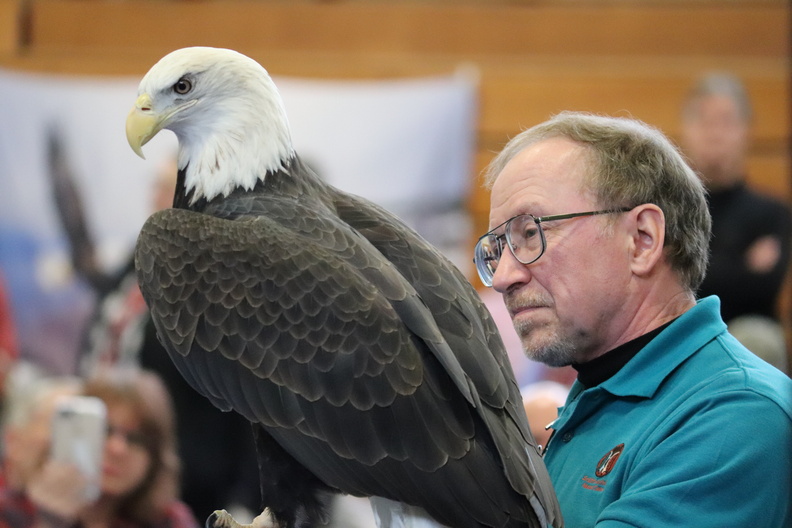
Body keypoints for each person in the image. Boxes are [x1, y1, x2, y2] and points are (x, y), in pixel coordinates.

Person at [474, 111, 792, 527]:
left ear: (642, 240)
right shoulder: (597, 393)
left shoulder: (738, 415)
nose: (503, 277)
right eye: (497, 248)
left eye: (530, 233)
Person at [0, 366, 199, 528]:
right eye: (105, 430)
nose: (118, 449)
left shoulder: (169, 520)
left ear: (155, 457)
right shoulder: (11, 509)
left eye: (136, 439)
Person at [680, 72, 792, 326]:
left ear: (746, 130)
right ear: (686, 130)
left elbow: (762, 291)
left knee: (757, 337)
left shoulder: (773, 213)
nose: (715, 133)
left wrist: (691, 269)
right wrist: (742, 266)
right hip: (685, 331)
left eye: (726, 121)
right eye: (704, 121)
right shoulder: (669, 210)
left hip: (746, 336)